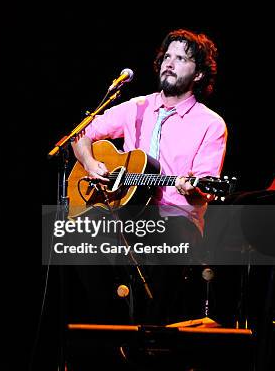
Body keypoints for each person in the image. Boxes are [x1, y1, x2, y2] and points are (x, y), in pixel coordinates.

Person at [70, 29, 227, 324]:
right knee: (75, 233)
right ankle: (110, 329)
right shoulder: (137, 107)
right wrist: (91, 164)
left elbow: (204, 189)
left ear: (199, 75)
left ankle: (151, 335)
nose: (170, 62)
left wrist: (189, 187)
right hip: (126, 214)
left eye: (181, 58)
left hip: (175, 218)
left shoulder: (211, 124)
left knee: (173, 236)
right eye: (168, 56)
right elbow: (80, 134)